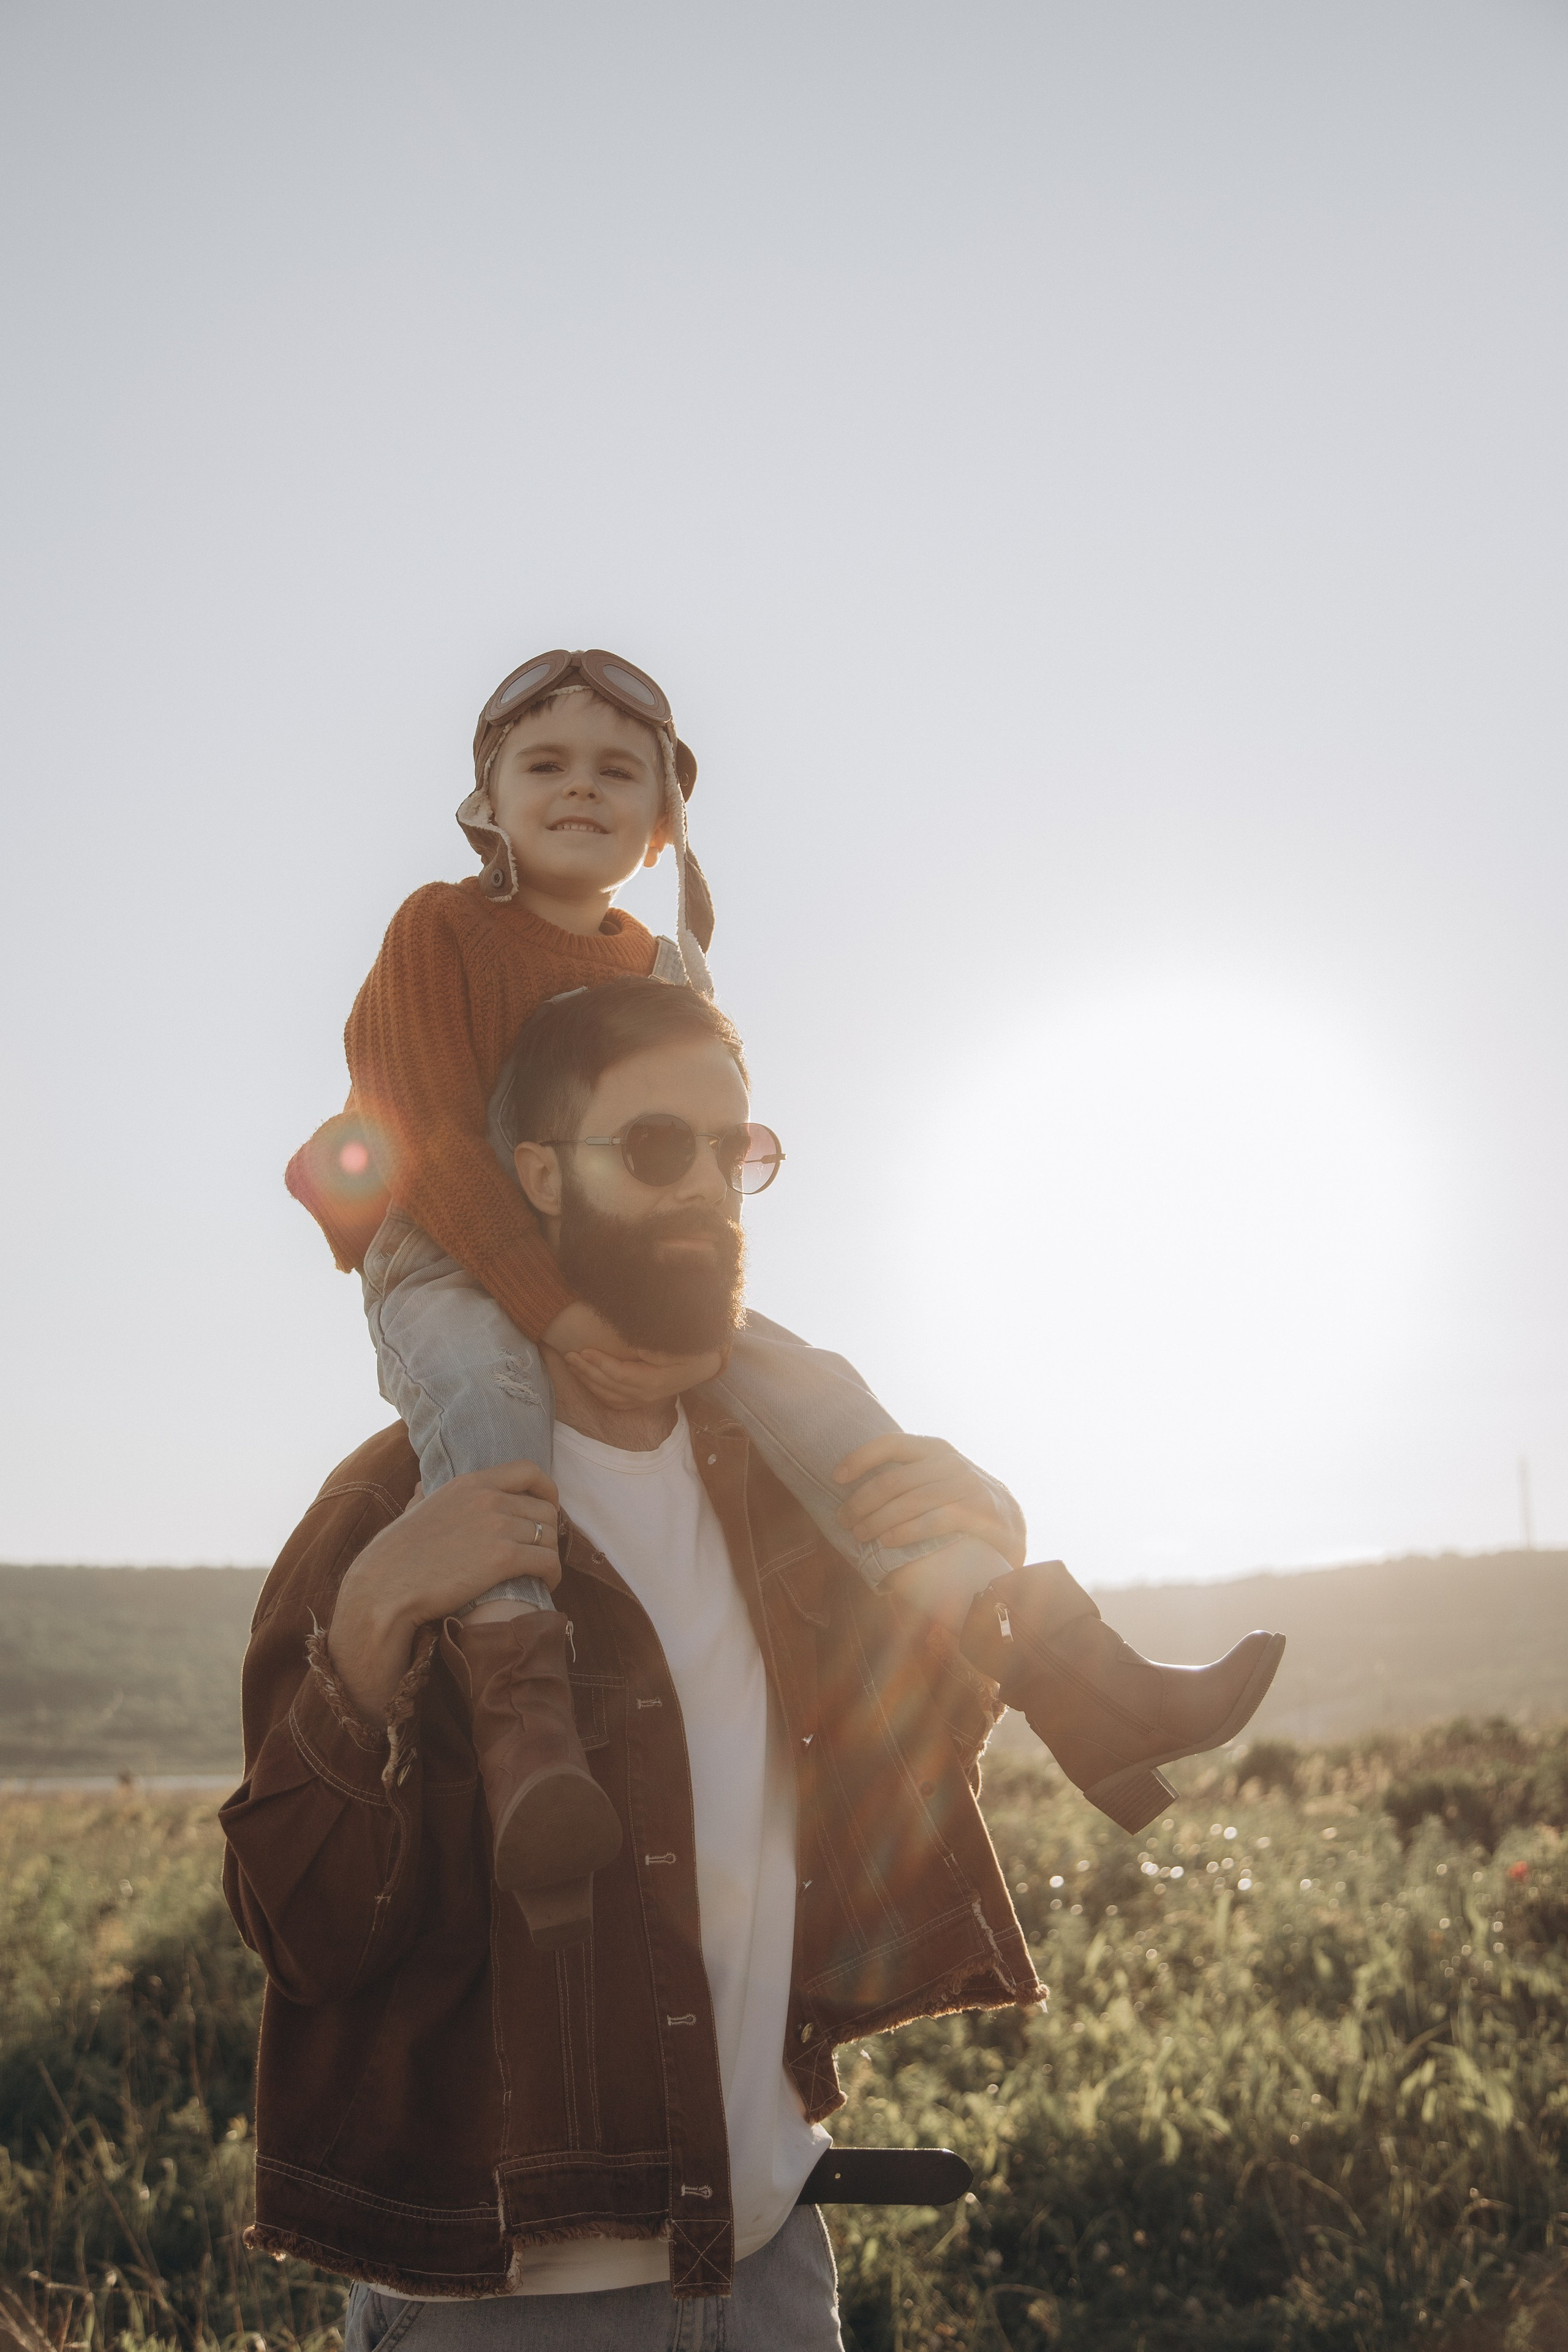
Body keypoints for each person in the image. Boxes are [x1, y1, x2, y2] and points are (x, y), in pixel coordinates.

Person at [223, 979, 1281, 2343]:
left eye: (738, 1151)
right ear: (533, 1176)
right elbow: (299, 1934)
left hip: (772, 2265)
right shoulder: (389, 1516)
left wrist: (975, 1560)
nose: (710, 1188)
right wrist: (366, 1636)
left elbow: (893, 1784)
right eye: (657, 1148)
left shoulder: (788, 1495)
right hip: (507, 2303)